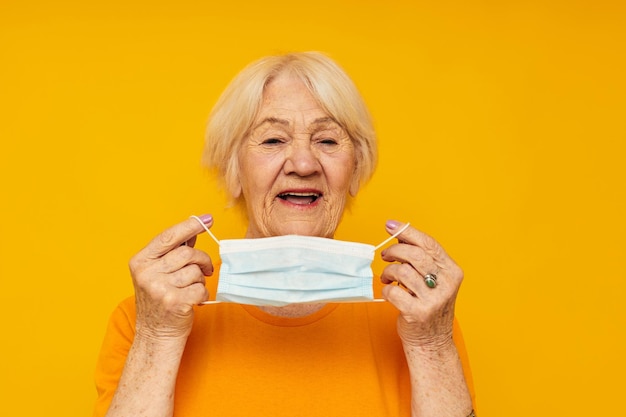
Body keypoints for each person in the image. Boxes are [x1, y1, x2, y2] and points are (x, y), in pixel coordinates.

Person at [93, 52, 476, 417]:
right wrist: (158, 336)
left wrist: (432, 344)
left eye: (327, 140)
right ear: (233, 170)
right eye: (273, 140)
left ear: (355, 169)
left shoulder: (421, 316)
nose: (304, 164)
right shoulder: (146, 319)